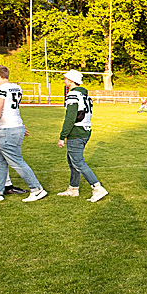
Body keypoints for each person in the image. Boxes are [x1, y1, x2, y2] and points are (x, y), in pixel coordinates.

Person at [0, 65, 48, 203]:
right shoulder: (16, 87)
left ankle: (37, 189)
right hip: (13, 126)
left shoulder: (0, 90)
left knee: (16, 161)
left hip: (6, 129)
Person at [56, 70, 108, 202]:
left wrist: (63, 136)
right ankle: (73, 188)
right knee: (72, 161)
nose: (65, 81)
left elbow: (70, 118)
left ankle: (97, 187)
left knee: (77, 162)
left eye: (66, 79)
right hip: (85, 130)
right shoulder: (84, 95)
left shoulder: (73, 95)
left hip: (77, 132)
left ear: (72, 81)